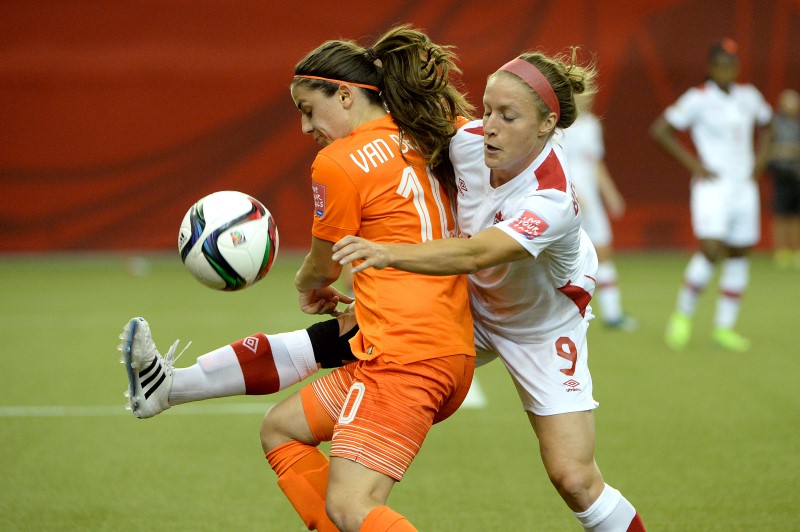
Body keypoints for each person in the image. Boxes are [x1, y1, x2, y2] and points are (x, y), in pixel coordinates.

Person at [123, 25, 476, 532]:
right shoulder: (430, 129)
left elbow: (322, 266)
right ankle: (168, 388)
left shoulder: (338, 161)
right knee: (282, 429)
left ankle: (167, 388)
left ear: (347, 95)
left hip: (405, 359)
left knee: (351, 506)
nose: (305, 127)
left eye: (309, 110)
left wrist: (306, 287)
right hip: (437, 344)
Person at [333, 48, 645, 531]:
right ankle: (184, 385)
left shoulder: (553, 198)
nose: (490, 125)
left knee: (575, 478)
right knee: (351, 336)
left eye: (509, 115)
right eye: (488, 110)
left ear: (547, 125)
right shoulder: (469, 142)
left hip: (541, 327)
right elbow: (404, 125)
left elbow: (477, 253)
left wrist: (387, 255)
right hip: (471, 302)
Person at [650, 38, 772, 353]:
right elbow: (661, 130)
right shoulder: (698, 99)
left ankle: (724, 327)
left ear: (737, 66)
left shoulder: (749, 96)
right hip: (714, 187)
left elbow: (769, 125)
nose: (727, 69)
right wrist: (696, 165)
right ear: (711, 66)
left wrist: (760, 162)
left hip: (744, 186)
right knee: (711, 249)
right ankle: (682, 315)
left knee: (740, 252)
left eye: (732, 64)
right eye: (721, 64)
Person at [562, 91, 638, 331]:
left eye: (590, 93)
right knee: (565, 258)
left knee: (603, 251)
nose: (588, 98)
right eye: (582, 93)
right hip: (567, 200)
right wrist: (572, 191)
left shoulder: (592, 125)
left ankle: (613, 314)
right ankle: (565, 316)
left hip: (591, 202)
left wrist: (610, 193)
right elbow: (557, 164)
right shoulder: (560, 128)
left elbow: (595, 163)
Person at [766, 88, 800, 268]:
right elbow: (767, 149)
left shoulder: (798, 125)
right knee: (780, 213)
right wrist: (784, 151)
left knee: (796, 215)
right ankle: (781, 251)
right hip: (781, 174)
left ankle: (796, 250)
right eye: (790, 101)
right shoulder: (775, 125)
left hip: (797, 175)